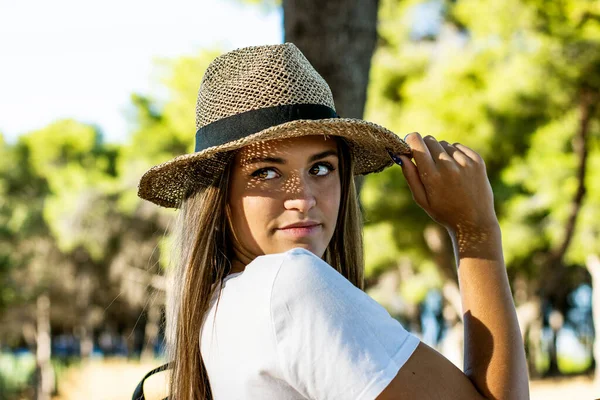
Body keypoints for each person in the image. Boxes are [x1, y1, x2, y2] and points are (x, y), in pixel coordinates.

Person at [135, 43, 529, 399]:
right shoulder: (288, 285)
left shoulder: (223, 308)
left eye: (321, 168)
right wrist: (476, 233)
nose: (303, 199)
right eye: (266, 173)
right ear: (219, 198)